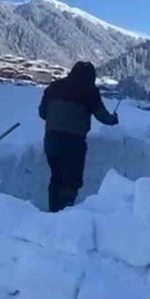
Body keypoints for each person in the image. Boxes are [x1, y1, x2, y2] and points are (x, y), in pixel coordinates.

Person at [38, 61, 118, 212]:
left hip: (51, 140)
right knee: (71, 181)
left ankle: (53, 212)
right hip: (73, 143)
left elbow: (42, 113)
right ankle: (64, 216)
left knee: (56, 178)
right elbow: (102, 116)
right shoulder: (89, 90)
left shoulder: (54, 87)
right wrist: (113, 119)